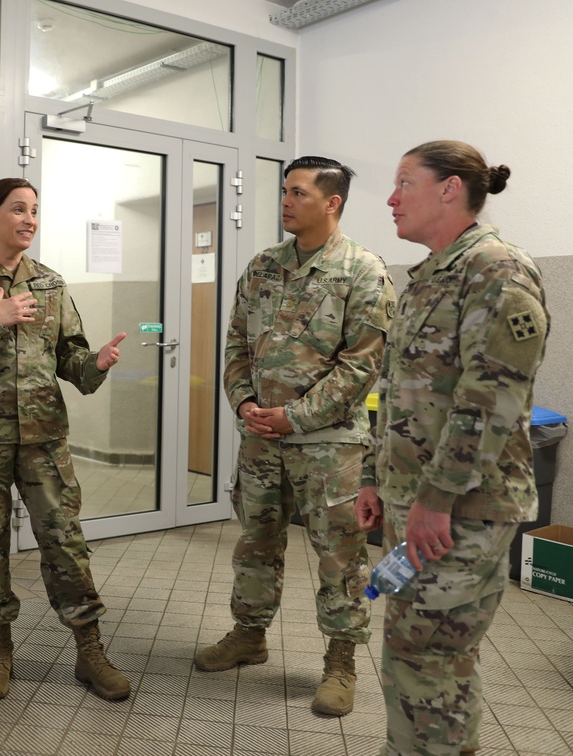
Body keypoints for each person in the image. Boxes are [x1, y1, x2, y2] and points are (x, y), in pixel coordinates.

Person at [356, 141, 548, 756]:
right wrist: (373, 478)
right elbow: (399, 394)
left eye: (403, 183)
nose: (390, 199)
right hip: (417, 501)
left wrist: (434, 499)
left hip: (462, 507)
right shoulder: (426, 278)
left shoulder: (495, 269)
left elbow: (489, 401)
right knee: (421, 651)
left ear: (449, 189)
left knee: (429, 655)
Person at [195, 156, 395, 717]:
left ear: (332, 202)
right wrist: (244, 401)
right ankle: (248, 635)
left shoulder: (363, 271)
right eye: (285, 191)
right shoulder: (262, 266)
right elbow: (235, 343)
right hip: (261, 440)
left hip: (330, 445)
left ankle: (340, 661)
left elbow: (362, 367)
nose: (286, 201)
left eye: (298, 193)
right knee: (255, 542)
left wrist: (296, 417)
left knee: (339, 557)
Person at [0, 177, 130, 702]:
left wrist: (96, 363)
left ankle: (90, 650)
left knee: (65, 540)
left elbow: (71, 359)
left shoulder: (50, 284)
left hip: (43, 438)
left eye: (35, 210)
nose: (29, 219)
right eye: (18, 209)